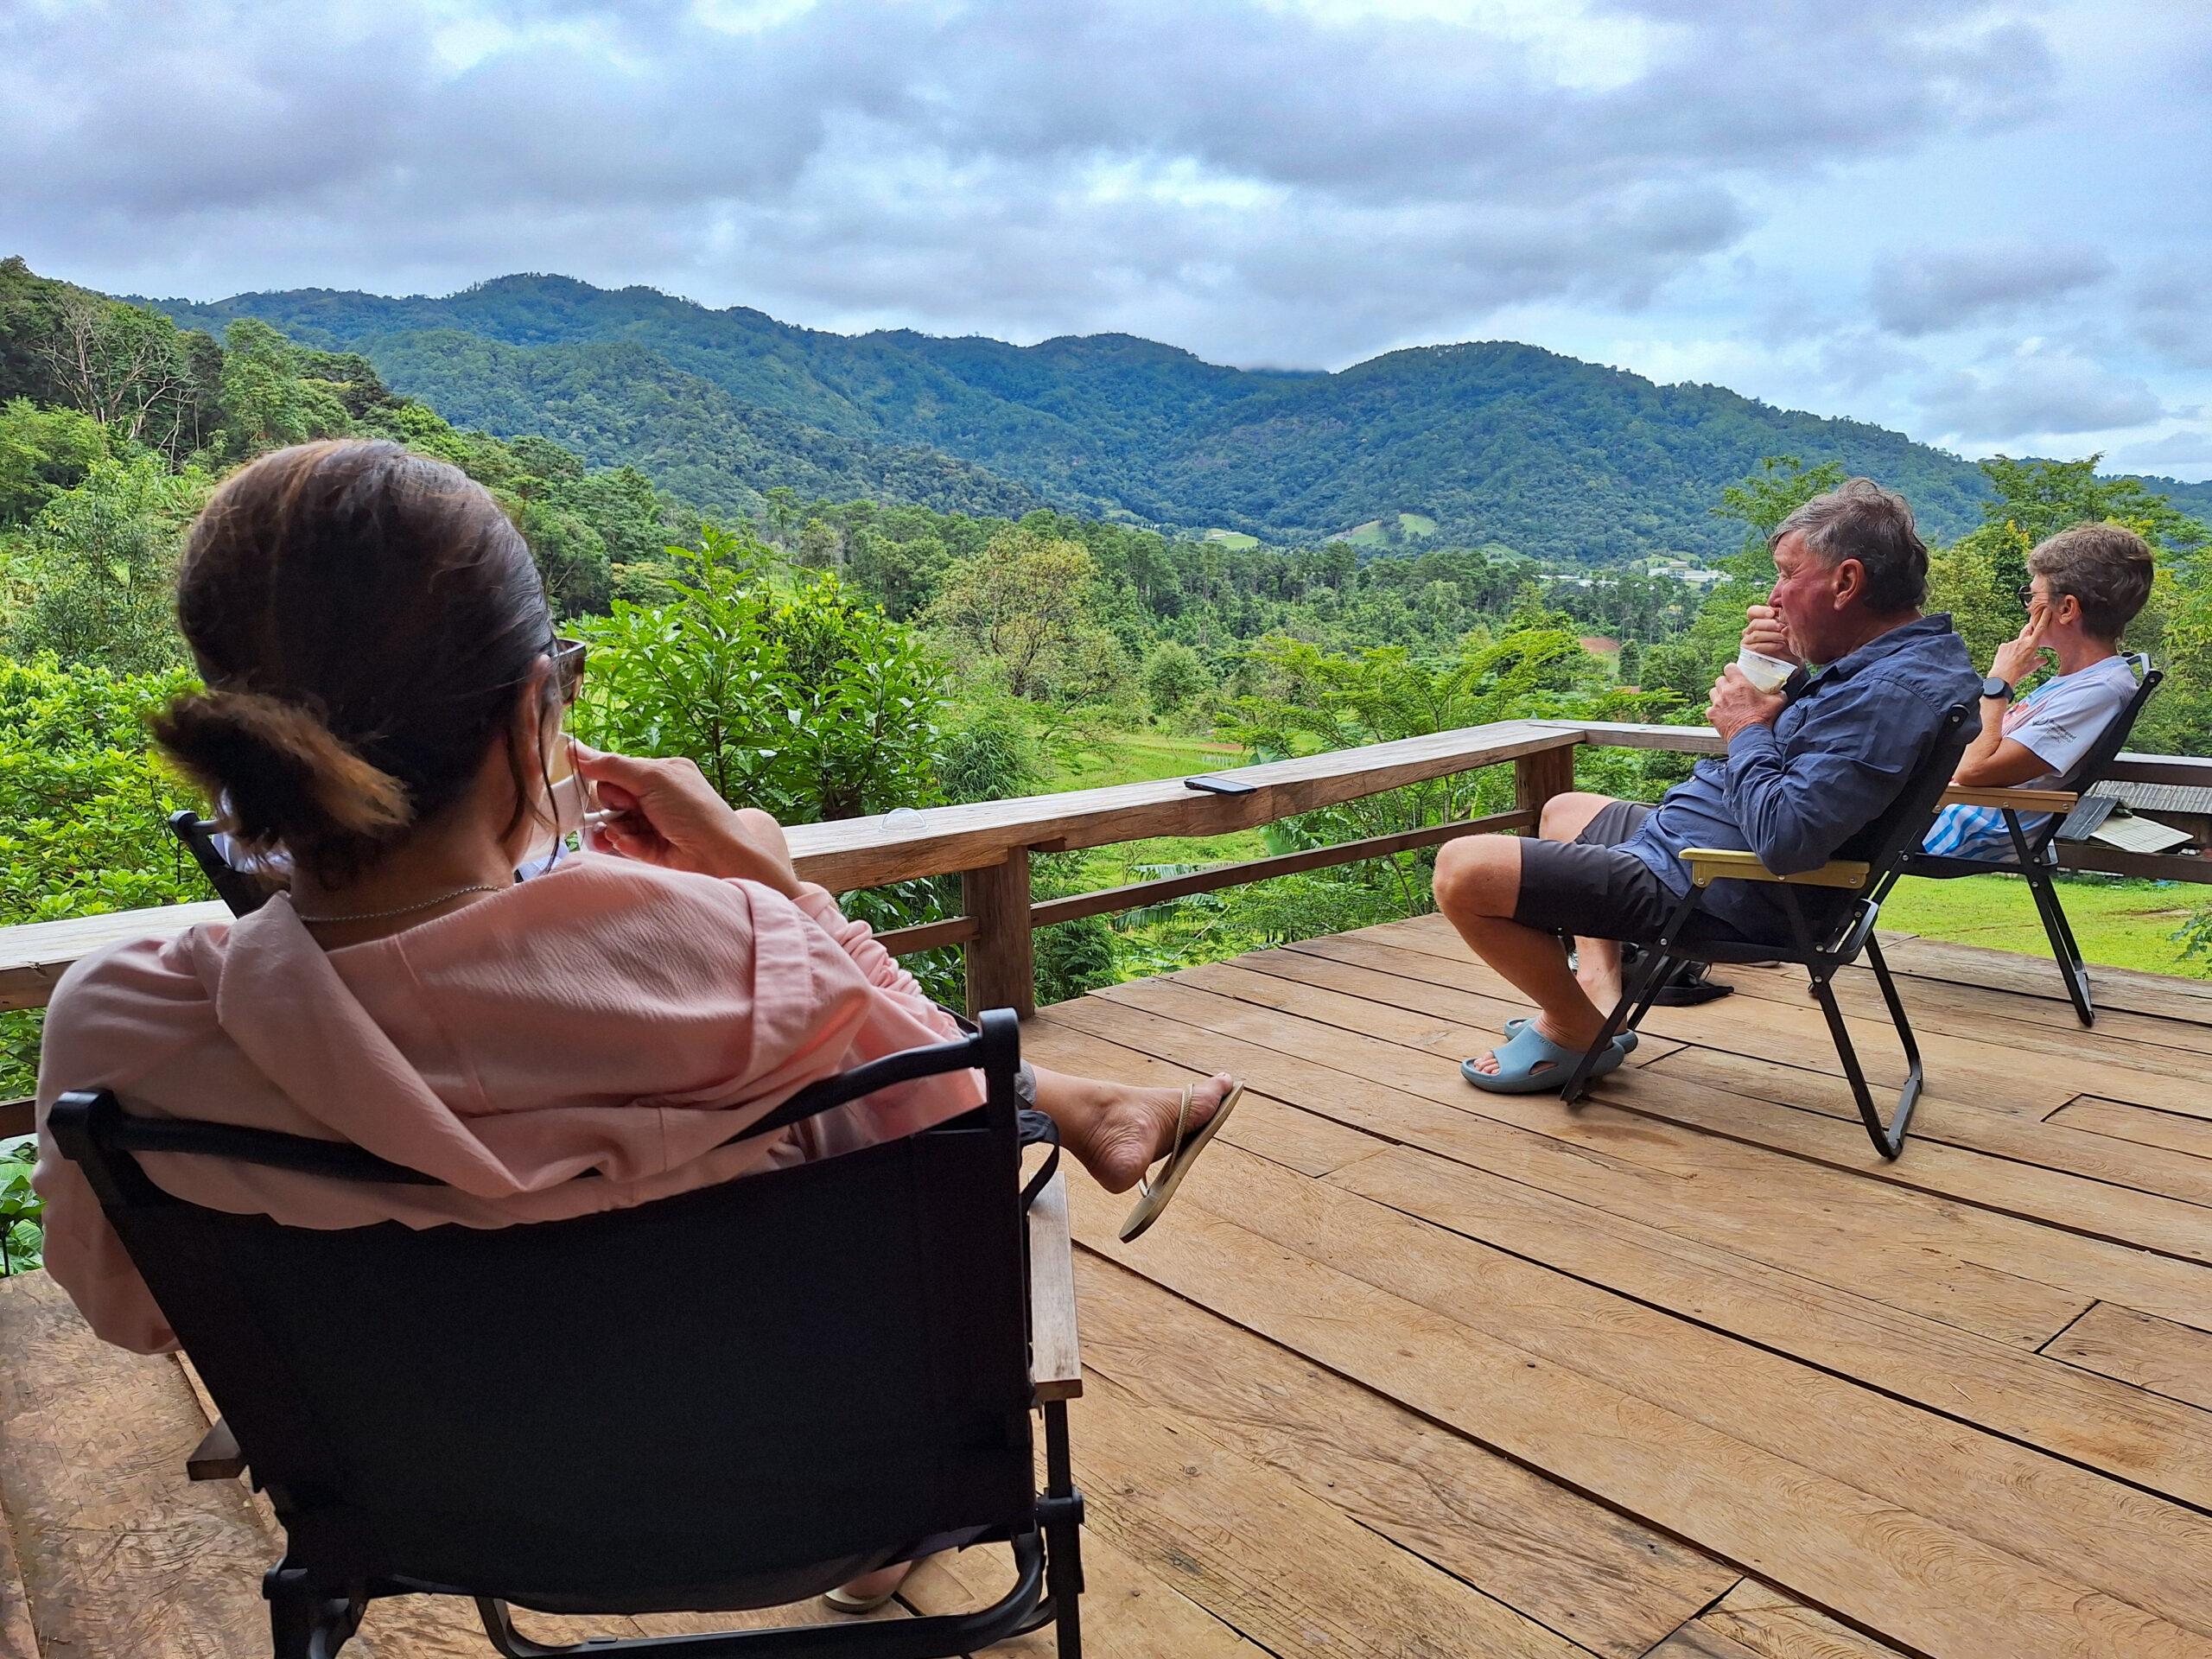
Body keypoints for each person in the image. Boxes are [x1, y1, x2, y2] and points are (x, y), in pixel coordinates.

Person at [31, 439, 1241, 1612]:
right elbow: (965, 1156)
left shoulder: (121, 1030)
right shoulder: (740, 948)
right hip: (821, 1489)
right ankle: (892, 1547)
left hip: (446, 1520)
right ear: (529, 709)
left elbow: (136, 1316)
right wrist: (776, 891)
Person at [1432, 478, 1979, 1094]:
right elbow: (1824, 757)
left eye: (1786, 574)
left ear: (1846, 582)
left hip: (1716, 882)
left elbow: (1788, 838)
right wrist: (1790, 678)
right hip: (1700, 850)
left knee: (1463, 869)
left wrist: (1744, 724)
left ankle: (1575, 1029)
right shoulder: (1902, 664)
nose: (1773, 596)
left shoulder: (1891, 693)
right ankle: (1595, 990)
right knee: (1565, 809)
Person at [1922, 522, 2154, 861]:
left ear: (2066, 609)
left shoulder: (2098, 690)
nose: (2028, 607)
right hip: (1939, 813)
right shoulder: (2081, 681)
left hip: (1959, 828)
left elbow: (1972, 770)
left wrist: (1999, 683)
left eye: (2033, 597)